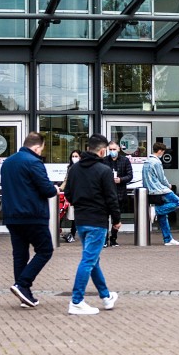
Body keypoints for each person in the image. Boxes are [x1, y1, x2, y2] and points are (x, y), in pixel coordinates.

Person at [64, 134, 120, 315]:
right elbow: (111, 198)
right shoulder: (104, 171)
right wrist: (117, 220)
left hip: (81, 220)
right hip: (97, 220)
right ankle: (76, 301)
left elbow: (68, 194)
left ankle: (106, 296)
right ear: (103, 150)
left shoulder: (74, 169)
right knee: (88, 260)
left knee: (92, 259)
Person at [0, 132, 57, 308]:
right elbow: (47, 190)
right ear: (37, 147)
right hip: (32, 215)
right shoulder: (34, 162)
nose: (41, 152)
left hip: (12, 216)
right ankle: (23, 284)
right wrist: (54, 188)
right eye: (41, 149)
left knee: (20, 254)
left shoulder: (8, 162)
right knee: (45, 250)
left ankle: (24, 294)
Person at [142, 141, 179, 246]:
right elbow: (161, 177)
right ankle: (155, 211)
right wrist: (168, 185)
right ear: (160, 151)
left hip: (151, 191)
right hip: (159, 190)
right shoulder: (156, 162)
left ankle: (167, 239)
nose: (163, 154)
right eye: (163, 152)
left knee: (163, 216)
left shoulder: (147, 161)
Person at [105, 141, 134, 247]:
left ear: (118, 149)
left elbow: (130, 175)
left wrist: (120, 180)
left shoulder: (125, 160)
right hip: (106, 194)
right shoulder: (104, 161)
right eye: (110, 149)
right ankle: (104, 240)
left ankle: (113, 239)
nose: (112, 151)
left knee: (116, 218)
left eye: (114, 149)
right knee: (104, 218)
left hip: (120, 194)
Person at [59, 151, 81, 243]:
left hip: (79, 194)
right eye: (73, 156)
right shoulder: (70, 167)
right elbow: (66, 179)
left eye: (76, 156)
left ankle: (72, 233)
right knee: (63, 212)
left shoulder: (83, 167)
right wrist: (61, 188)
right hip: (70, 193)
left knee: (74, 216)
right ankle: (58, 231)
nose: (74, 158)